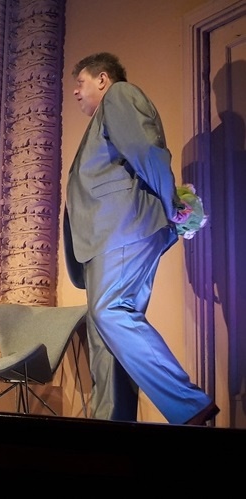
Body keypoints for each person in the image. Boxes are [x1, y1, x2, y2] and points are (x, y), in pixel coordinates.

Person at [63, 52, 219, 425]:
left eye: (80, 83)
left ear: (103, 79)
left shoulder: (119, 96)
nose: (76, 92)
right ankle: (111, 430)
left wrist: (171, 204)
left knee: (111, 311)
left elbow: (147, 149)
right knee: (106, 340)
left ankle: (189, 403)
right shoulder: (101, 117)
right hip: (102, 239)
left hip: (122, 229)